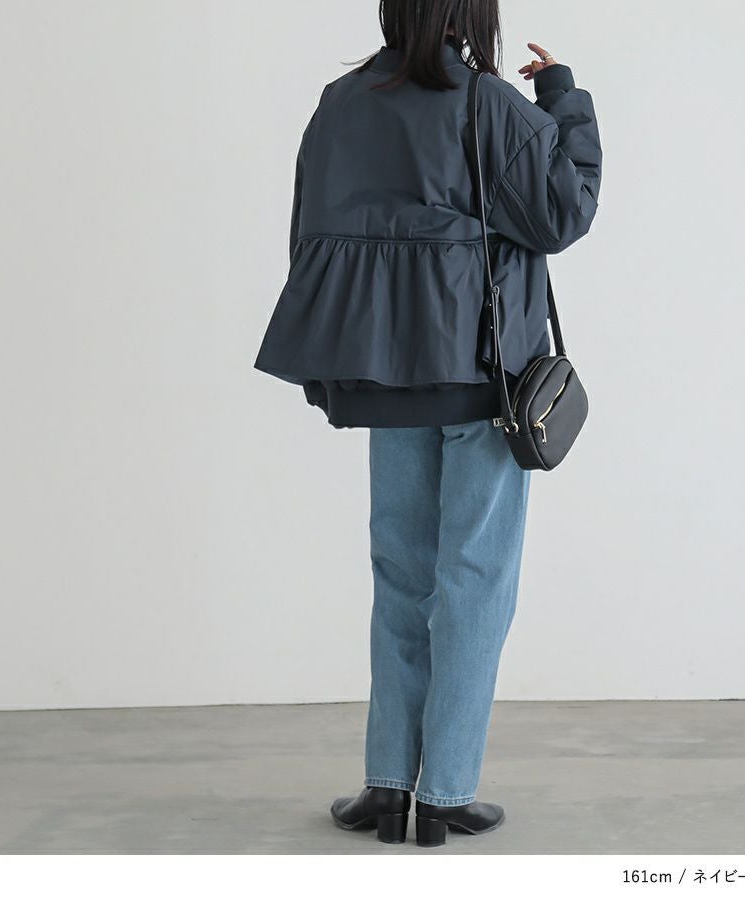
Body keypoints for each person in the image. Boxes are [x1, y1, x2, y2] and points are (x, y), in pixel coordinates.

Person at [254, 0, 601, 847]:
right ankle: (444, 793)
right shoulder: (489, 103)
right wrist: (563, 98)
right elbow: (562, 213)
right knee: (473, 581)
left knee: (401, 577)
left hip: (387, 371)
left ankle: (386, 787)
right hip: (485, 380)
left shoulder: (342, 102)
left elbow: (310, 230)